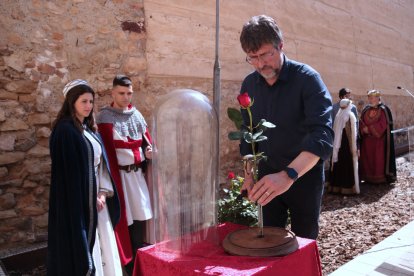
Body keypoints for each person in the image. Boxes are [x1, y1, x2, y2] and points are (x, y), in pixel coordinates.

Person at [238, 15, 334, 240]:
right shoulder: (249, 84)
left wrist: (288, 175)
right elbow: (248, 134)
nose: (261, 64)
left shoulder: (308, 79)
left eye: (265, 55)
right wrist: (248, 176)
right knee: (269, 241)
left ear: (280, 46)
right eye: (253, 58)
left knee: (304, 241)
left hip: (303, 177)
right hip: (266, 176)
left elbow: (322, 136)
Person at [48, 79, 122, 275]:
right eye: (84, 101)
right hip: (78, 201)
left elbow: (101, 166)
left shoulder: (89, 129)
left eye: (91, 101)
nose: (89, 106)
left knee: (103, 243)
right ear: (72, 102)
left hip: (96, 198)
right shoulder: (65, 131)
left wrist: (102, 193)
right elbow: (67, 174)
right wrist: (87, 198)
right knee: (84, 247)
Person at [96, 75, 153, 272]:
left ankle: (141, 263)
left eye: (129, 93)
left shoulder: (136, 115)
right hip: (120, 179)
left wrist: (149, 152)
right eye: (121, 93)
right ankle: (127, 267)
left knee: (140, 219)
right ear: (113, 93)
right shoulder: (105, 118)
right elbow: (104, 155)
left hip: (137, 177)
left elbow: (147, 142)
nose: (126, 97)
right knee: (124, 222)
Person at [359, 89, 396, 184]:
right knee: (367, 160)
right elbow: (361, 121)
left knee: (378, 160)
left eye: (372, 98)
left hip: (378, 141)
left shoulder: (383, 109)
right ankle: (367, 177)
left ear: (377, 98)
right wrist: (363, 128)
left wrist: (370, 129)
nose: (370, 100)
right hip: (367, 141)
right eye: (369, 98)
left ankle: (378, 179)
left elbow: (383, 124)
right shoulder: (366, 109)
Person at [327, 99, 360, 194]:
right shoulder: (350, 116)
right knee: (346, 167)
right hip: (347, 148)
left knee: (337, 166)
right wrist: (355, 148)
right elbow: (353, 135)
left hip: (337, 148)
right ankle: (347, 188)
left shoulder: (338, 116)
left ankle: (335, 187)